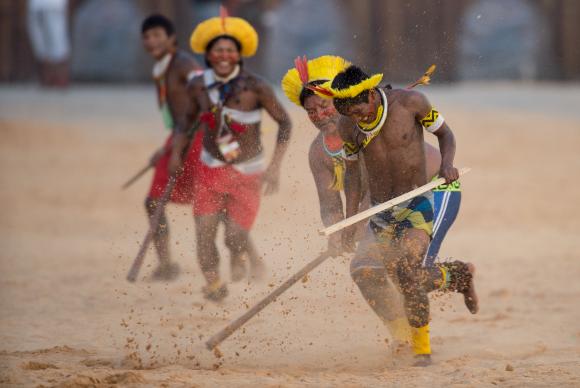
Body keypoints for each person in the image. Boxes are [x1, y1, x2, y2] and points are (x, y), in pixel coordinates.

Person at [309, 61, 478, 365]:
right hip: (382, 211)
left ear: (372, 95)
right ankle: (451, 281)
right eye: (349, 115)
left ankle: (422, 350)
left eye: (360, 112)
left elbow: (446, 135)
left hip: (419, 202)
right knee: (363, 270)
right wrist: (350, 221)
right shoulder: (348, 124)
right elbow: (353, 176)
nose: (357, 120)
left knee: (408, 274)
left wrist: (447, 164)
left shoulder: (411, 103)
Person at [177, 9, 292, 301]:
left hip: (248, 172)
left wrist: (275, 167)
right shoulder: (197, 86)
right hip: (210, 168)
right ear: (208, 55)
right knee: (204, 233)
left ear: (240, 54)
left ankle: (244, 258)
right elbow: (186, 123)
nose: (224, 56)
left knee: (234, 236)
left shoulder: (256, 87)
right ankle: (214, 285)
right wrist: (177, 154)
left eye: (230, 50)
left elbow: (285, 123)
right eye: (218, 50)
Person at [141, 14, 203, 280]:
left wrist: (177, 149)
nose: (151, 41)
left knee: (211, 204)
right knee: (153, 201)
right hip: (179, 136)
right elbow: (178, 116)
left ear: (171, 38)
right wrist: (167, 148)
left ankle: (245, 257)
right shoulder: (163, 67)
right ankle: (166, 265)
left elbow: (204, 100)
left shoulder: (184, 64)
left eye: (157, 35)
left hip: (198, 137)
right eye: (146, 36)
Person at [27, 0, 71, 87]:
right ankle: (47, 79)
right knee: (40, 45)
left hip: (53, 5)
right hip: (35, 6)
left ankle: (61, 79)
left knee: (58, 43)